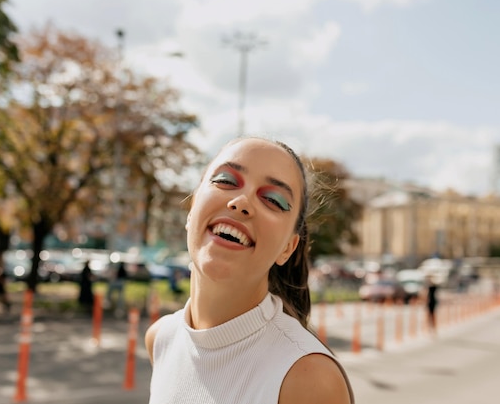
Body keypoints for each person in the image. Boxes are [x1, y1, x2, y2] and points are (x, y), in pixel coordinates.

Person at [145, 137, 354, 404]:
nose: (241, 201)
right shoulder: (160, 338)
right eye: (226, 181)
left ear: (287, 249)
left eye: (273, 200)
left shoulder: (309, 378)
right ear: (192, 208)